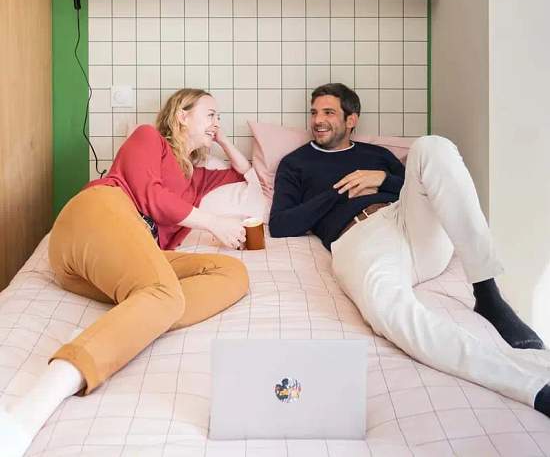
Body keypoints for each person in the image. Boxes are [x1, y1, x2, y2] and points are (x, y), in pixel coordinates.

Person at [269, 82, 550, 418]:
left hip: (407, 222)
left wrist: (382, 179)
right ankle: (533, 387)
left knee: (433, 146)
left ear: (351, 119)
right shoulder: (295, 163)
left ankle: (487, 293)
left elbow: (424, 185)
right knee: (392, 311)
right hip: (360, 239)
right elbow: (280, 224)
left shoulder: (378, 156)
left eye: (328, 112)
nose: (318, 120)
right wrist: (338, 192)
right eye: (314, 112)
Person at [1, 89, 251, 456]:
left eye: (219, 117)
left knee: (231, 273)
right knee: (164, 295)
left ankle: (123, 324)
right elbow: (151, 197)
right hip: (96, 216)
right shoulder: (148, 139)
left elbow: (249, 175)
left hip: (127, 259)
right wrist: (213, 222)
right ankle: (31, 409)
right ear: (182, 115)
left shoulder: (197, 178)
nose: (217, 121)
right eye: (210, 114)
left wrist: (223, 140)